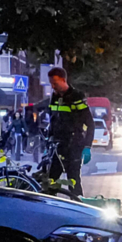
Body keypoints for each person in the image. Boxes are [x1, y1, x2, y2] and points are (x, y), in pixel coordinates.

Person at [46, 67, 94, 196]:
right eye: (51, 83)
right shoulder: (54, 97)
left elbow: (90, 123)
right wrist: (49, 138)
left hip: (73, 145)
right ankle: (49, 205)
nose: (53, 86)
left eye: (55, 83)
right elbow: (53, 120)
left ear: (63, 80)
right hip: (58, 145)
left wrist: (87, 146)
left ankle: (78, 204)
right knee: (50, 181)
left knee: (73, 181)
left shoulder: (76, 96)